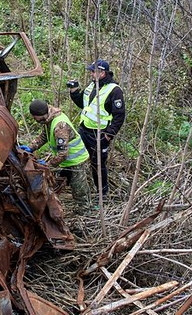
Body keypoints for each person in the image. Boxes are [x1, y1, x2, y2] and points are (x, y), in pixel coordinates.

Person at [68, 59, 126, 198]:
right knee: (73, 156)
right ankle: (69, 185)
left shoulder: (114, 90)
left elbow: (119, 116)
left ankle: (102, 194)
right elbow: (84, 104)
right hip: (84, 130)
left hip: (99, 134)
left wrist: (108, 135)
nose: (91, 74)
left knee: (98, 165)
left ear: (102, 73)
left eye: (93, 71)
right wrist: (74, 91)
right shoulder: (92, 85)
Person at [25, 99, 91, 210]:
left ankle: (85, 212)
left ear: (40, 114)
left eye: (34, 116)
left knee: (79, 190)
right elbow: (44, 136)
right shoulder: (49, 119)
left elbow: (63, 154)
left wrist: (47, 164)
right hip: (66, 161)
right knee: (60, 183)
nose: (33, 119)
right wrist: (30, 148)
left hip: (76, 160)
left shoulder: (60, 126)